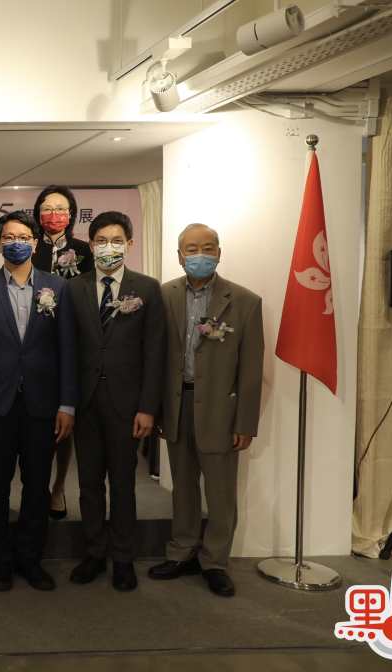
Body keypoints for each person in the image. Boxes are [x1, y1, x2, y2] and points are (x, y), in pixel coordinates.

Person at [148, 223, 263, 598]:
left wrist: (245, 421)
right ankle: (181, 551)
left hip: (220, 411)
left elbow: (251, 369)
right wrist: (157, 411)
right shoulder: (163, 296)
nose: (200, 255)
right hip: (176, 404)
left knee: (220, 491)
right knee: (182, 487)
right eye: (192, 249)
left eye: (208, 248)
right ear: (180, 256)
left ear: (219, 253)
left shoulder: (244, 301)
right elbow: (154, 356)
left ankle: (215, 562)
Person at [0, 211, 76, 592]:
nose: (17, 242)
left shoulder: (57, 287)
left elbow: (67, 350)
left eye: (24, 237)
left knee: (37, 486)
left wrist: (67, 405)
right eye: (9, 236)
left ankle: (31, 559)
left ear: (34, 242)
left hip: (42, 404)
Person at [67, 211, 165, 592]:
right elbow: (67, 350)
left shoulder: (147, 289)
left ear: (130, 244)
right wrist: (67, 403)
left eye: (116, 241)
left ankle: (123, 558)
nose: (109, 247)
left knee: (124, 484)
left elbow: (154, 352)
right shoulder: (74, 288)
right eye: (102, 241)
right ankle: (94, 552)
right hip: (85, 402)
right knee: (89, 484)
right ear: (91, 246)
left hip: (127, 404)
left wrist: (148, 407)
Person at [31, 186, 93, 520]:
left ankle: (58, 487)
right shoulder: (30, 246)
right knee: (40, 423)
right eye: (47, 207)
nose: (53, 214)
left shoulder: (84, 250)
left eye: (61, 208)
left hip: (74, 343)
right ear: (37, 212)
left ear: (71, 214)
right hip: (37, 345)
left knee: (66, 419)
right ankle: (38, 486)